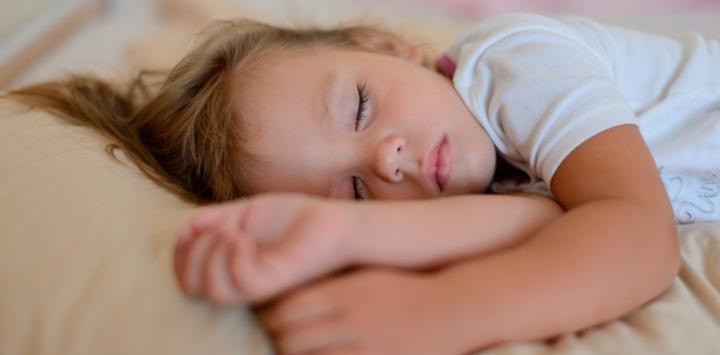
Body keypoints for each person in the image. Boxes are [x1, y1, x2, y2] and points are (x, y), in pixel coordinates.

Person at [8, 11, 719, 354]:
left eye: (361, 107)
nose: (388, 162)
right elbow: (551, 226)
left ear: (390, 48)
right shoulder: (502, 177)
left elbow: (633, 230)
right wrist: (340, 236)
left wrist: (443, 309)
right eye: (351, 188)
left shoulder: (513, 64)